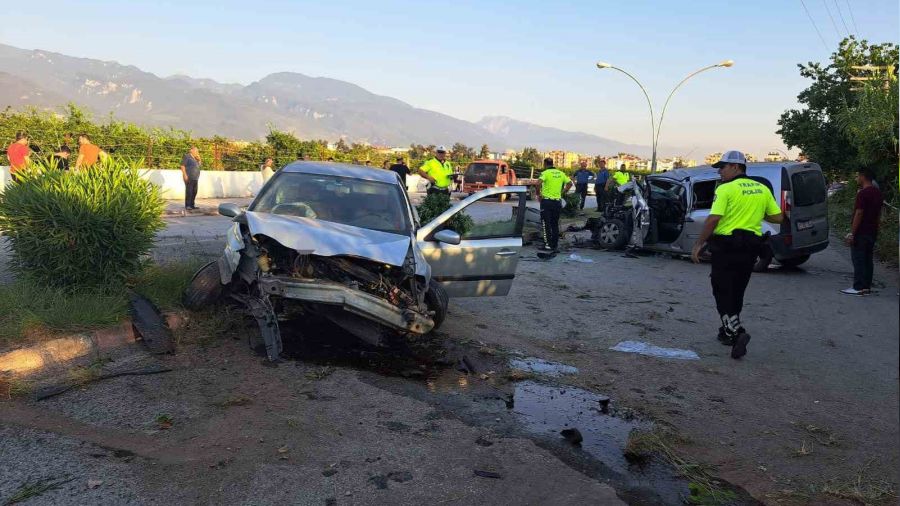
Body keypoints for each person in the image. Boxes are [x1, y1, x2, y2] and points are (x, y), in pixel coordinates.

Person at [691, 151, 783, 360]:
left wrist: (699, 243)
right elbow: (778, 217)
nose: (720, 171)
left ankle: (737, 332)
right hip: (750, 248)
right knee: (737, 292)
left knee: (721, 291)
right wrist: (757, 212)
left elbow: (714, 218)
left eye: (722, 167)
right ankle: (726, 332)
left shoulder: (726, 189)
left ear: (735, 167)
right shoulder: (762, 188)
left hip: (726, 248)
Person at [841, 168, 883, 296]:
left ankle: (858, 287)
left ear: (863, 177)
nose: (857, 178)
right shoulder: (878, 193)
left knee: (858, 259)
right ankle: (866, 287)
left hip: (861, 231)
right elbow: (879, 214)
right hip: (872, 231)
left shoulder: (863, 194)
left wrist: (852, 233)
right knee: (868, 260)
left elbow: (859, 213)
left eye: (858, 176)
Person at [536, 158, 573, 253]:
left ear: (545, 164)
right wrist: (563, 192)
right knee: (554, 224)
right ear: (552, 163)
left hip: (546, 202)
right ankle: (554, 245)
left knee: (545, 224)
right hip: (557, 202)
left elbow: (538, 184)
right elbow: (569, 183)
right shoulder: (560, 173)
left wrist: (538, 195)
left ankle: (547, 245)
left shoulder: (545, 173)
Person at [180, 146, 202, 211]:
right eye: (196, 151)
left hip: (195, 177)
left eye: (197, 151)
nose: (197, 152)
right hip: (189, 177)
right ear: (191, 150)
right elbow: (182, 166)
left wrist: (199, 159)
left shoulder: (195, 158)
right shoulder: (187, 156)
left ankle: (192, 205)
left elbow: (200, 166)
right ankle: (188, 205)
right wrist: (185, 175)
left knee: (194, 191)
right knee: (189, 191)